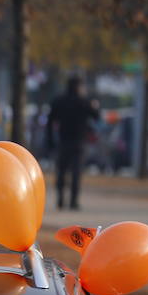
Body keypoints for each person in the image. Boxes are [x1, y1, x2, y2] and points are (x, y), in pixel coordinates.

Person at [46, 76, 100, 210]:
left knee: (61, 171)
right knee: (76, 172)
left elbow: (50, 121)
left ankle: (60, 199)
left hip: (64, 141)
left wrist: (50, 140)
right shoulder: (84, 101)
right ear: (79, 87)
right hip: (79, 142)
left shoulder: (59, 101)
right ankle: (73, 201)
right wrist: (95, 106)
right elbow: (96, 117)